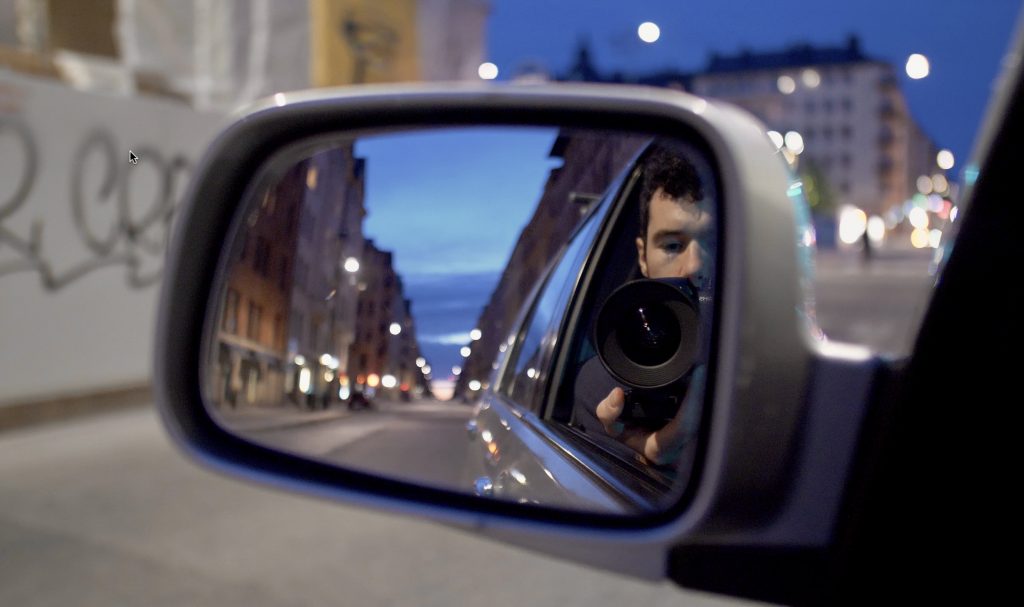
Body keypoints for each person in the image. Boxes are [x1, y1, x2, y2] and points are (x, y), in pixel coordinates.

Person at [573, 144, 714, 467]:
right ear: (643, 257)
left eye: (715, 242)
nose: (693, 266)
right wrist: (652, 451)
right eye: (673, 245)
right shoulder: (607, 384)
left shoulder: (770, 364)